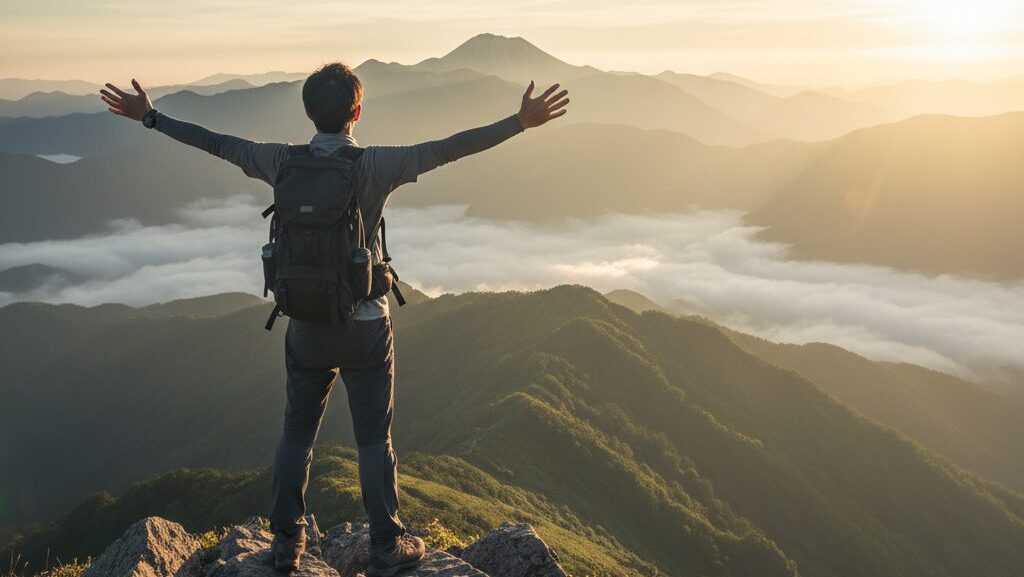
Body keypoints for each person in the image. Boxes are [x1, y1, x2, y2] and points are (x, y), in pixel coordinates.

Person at [99, 63, 568, 575]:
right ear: (357, 112)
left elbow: (216, 142)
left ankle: (285, 546)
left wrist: (151, 118)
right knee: (372, 438)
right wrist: (518, 123)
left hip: (304, 325)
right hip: (366, 326)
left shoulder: (278, 161)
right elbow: (449, 147)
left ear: (306, 112)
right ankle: (387, 548)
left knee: (295, 435)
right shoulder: (376, 166)